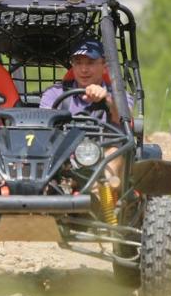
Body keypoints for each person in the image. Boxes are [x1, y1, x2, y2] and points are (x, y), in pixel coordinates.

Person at [40, 38, 135, 187]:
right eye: (78, 63)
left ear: (104, 66)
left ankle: (106, 203)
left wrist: (107, 99)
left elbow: (124, 117)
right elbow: (43, 127)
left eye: (90, 63)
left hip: (102, 154)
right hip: (62, 156)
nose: (84, 70)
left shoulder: (118, 94)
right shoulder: (55, 93)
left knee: (114, 151)